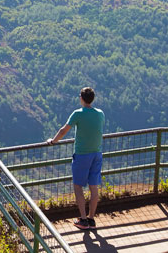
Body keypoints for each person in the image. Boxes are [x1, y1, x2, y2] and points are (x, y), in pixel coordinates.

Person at [46, 87, 105, 230]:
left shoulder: (78, 114)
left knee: (78, 186)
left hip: (82, 154)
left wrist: (53, 141)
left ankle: (83, 220)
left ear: (81, 98)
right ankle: (91, 219)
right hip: (97, 154)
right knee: (94, 188)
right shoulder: (100, 113)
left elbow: (63, 130)